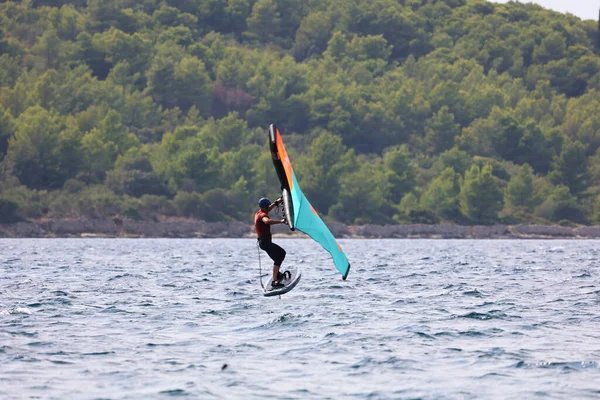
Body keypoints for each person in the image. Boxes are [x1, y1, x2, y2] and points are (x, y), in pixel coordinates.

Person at [255, 197, 287, 288]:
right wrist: (281, 221)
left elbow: (269, 208)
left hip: (263, 242)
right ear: (265, 207)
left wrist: (277, 202)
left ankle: (277, 276)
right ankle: (275, 281)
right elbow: (267, 221)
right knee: (281, 254)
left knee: (277, 258)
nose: (269, 208)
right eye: (268, 206)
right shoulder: (262, 216)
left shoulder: (259, 213)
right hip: (265, 242)